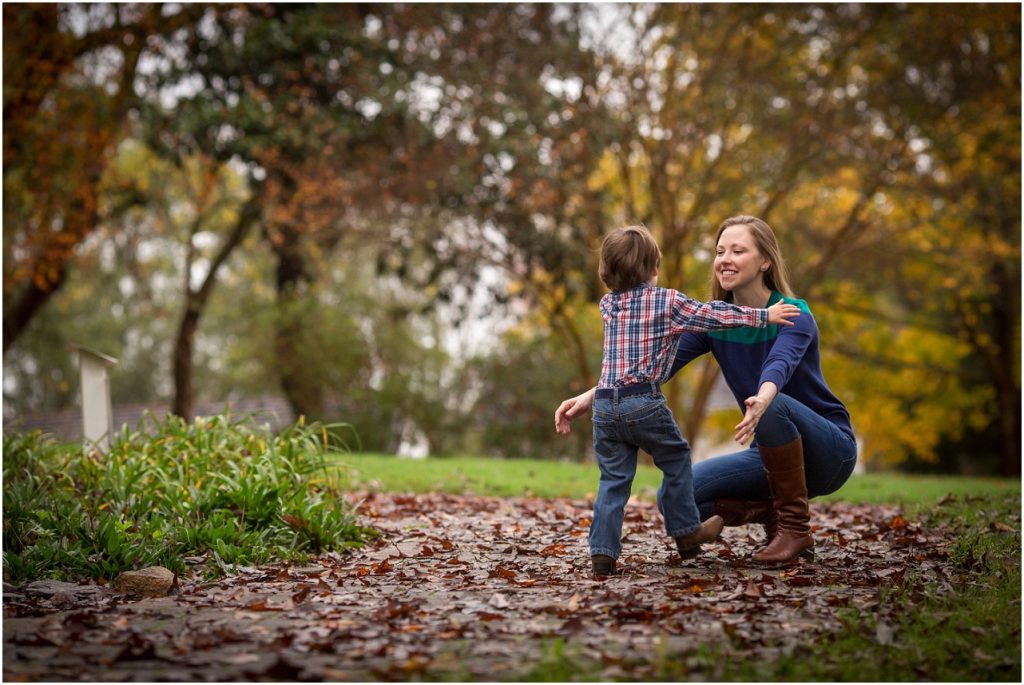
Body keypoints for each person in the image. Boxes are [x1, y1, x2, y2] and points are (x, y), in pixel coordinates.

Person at [556, 216, 857, 566]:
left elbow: (781, 362)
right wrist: (592, 395)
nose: (724, 259)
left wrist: (763, 396)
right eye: (719, 251)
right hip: (770, 458)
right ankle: (774, 514)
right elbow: (652, 366)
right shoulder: (714, 323)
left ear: (765, 261)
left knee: (775, 405)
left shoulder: (792, 313)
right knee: (679, 495)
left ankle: (795, 529)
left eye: (738, 250)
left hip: (828, 451)